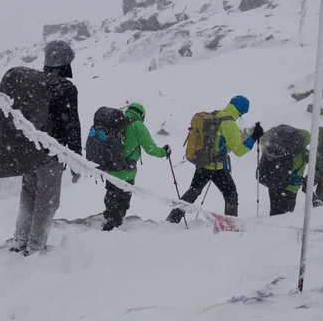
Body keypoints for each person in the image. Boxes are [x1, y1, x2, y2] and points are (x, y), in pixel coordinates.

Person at [11, 40, 82, 255]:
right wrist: (75, 159)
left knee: (28, 196)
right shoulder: (66, 88)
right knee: (47, 200)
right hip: (52, 152)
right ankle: (35, 247)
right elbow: (72, 124)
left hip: (30, 150)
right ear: (65, 61)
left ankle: (19, 240)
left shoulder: (35, 82)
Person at [166, 96, 264, 223]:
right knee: (231, 195)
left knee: (193, 191)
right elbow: (239, 151)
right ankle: (231, 224)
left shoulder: (217, 115)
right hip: (217, 167)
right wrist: (254, 137)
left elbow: (218, 142)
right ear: (241, 111)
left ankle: (172, 218)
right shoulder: (230, 124)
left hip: (203, 163)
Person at [102, 103, 170, 231]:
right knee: (123, 202)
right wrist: (164, 152)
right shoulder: (138, 126)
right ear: (141, 114)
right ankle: (113, 227)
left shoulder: (115, 122)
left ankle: (109, 218)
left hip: (110, 169)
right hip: (126, 172)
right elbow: (151, 149)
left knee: (111, 196)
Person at [263, 127, 310, 216]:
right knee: (286, 215)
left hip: (274, 183)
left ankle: (271, 228)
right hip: (290, 187)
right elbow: (317, 160)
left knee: (274, 212)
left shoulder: (281, 149)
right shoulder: (304, 153)